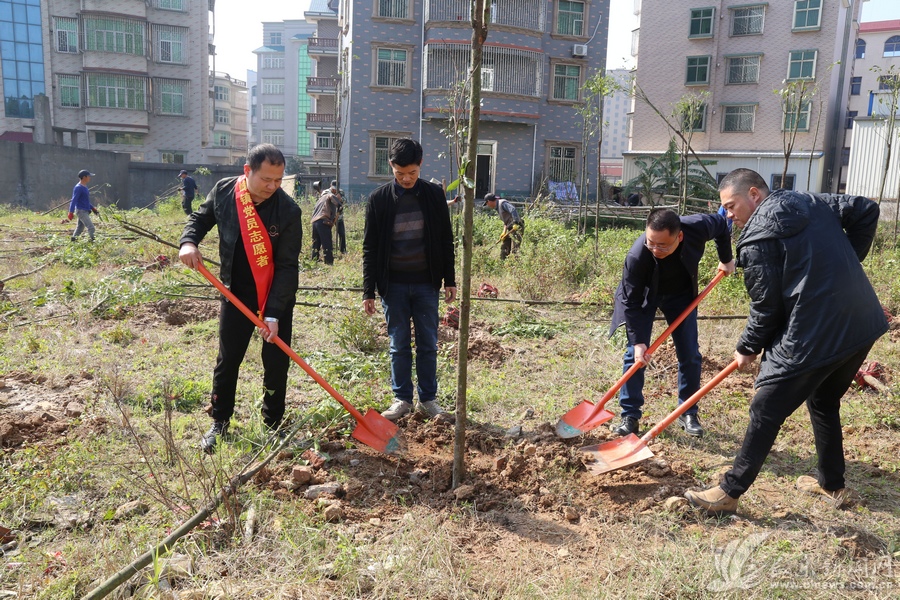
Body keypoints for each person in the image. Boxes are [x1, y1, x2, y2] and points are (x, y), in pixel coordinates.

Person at [684, 169, 888, 515]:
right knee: (823, 399)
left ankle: (729, 493)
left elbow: (767, 307)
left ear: (754, 194)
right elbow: (866, 209)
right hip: (860, 321)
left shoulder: (757, 239)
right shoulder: (811, 200)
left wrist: (747, 347)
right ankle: (833, 485)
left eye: (731, 206)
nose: (728, 215)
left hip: (816, 331)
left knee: (766, 407)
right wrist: (846, 265)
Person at [178, 144, 303, 453]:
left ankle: (273, 424)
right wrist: (189, 242)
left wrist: (273, 314)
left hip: (275, 297)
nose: (273, 187)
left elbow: (288, 267)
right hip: (235, 293)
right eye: (266, 180)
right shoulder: (225, 191)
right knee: (228, 358)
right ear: (247, 172)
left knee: (276, 363)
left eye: (279, 180)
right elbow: (200, 219)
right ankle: (219, 421)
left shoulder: (288, 211)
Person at [609, 208, 735, 439]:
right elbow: (631, 302)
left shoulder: (698, 226)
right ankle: (630, 416)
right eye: (651, 243)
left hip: (681, 295)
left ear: (679, 237)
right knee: (634, 355)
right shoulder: (637, 256)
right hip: (646, 296)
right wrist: (639, 343)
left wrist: (726, 259)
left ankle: (688, 412)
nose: (655, 250)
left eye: (663, 246)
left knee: (689, 354)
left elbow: (721, 225)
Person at [362, 138, 457, 421]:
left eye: (412, 173)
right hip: (393, 286)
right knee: (398, 343)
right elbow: (370, 247)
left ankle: (428, 399)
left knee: (428, 343)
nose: (406, 179)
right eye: (400, 173)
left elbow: (444, 240)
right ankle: (402, 399)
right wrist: (369, 290)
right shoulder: (378, 199)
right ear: (391, 166)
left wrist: (449, 279)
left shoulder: (433, 196)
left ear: (421, 165)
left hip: (427, 283)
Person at [483, 192, 524, 259]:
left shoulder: (502, 203)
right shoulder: (498, 207)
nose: (488, 206)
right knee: (504, 246)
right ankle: (502, 263)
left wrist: (516, 223)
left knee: (515, 249)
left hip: (517, 227)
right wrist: (504, 232)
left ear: (489, 201)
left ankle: (515, 265)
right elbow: (505, 221)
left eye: (487, 204)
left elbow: (513, 210)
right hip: (509, 227)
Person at [311, 180, 338, 265]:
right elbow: (338, 204)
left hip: (315, 222)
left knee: (316, 243)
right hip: (323, 221)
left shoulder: (320, 198)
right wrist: (339, 206)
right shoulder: (329, 195)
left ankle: (314, 260)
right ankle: (329, 262)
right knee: (327, 243)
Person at [68, 169, 100, 242]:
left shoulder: (85, 187)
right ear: (84, 177)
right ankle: (94, 243)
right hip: (81, 211)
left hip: (85, 210)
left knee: (79, 228)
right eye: (89, 176)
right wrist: (70, 212)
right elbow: (74, 200)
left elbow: (85, 201)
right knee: (91, 228)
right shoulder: (78, 188)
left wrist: (93, 209)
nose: (90, 178)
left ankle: (73, 242)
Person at [331, 181, 347, 255]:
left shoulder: (341, 192)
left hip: (339, 217)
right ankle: (329, 249)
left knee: (342, 233)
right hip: (329, 216)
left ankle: (342, 250)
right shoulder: (328, 192)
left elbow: (345, 201)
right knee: (326, 233)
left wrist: (340, 199)